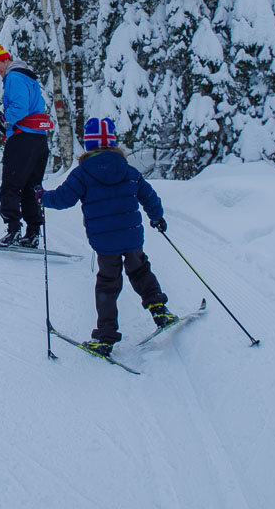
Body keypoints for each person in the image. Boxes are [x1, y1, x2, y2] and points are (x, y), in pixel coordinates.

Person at [36, 117, 177, 357]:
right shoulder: (128, 170)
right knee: (141, 271)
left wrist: (42, 197)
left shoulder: (82, 174)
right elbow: (149, 196)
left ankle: (106, 337)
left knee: (108, 285)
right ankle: (159, 310)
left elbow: (63, 199)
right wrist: (157, 217)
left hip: (105, 243)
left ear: (89, 145)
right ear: (112, 143)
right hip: (132, 236)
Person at [0, 43, 52, 248]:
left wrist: (4, 119)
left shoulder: (14, 77)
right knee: (31, 187)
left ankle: (13, 230)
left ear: (7, 60)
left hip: (23, 140)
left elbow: (20, 109)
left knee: (11, 186)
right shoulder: (27, 78)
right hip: (39, 140)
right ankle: (32, 232)